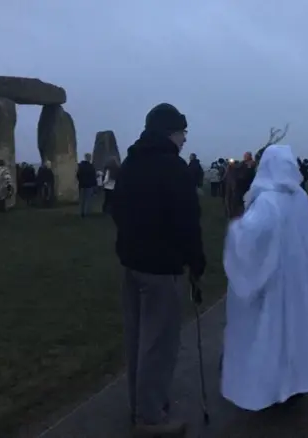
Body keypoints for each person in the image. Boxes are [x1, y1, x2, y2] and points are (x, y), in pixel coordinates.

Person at [112, 103, 205, 437]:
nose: (184, 139)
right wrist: (197, 263)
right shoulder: (174, 168)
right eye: (182, 132)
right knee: (159, 343)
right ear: (170, 132)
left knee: (137, 339)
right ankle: (150, 417)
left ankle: (141, 405)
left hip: (132, 263)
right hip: (162, 267)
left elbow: (116, 209)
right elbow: (187, 224)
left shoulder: (131, 163)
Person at [221, 144, 308, 411]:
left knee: (271, 330)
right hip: (297, 276)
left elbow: (251, 236)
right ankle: (297, 379)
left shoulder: (268, 200)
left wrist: (236, 230)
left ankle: (272, 385)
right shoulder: (299, 197)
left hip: (273, 279)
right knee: (295, 328)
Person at [76, 153, 97, 217]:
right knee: (88, 199)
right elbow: (93, 176)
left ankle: (82, 212)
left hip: (82, 185)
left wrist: (80, 181)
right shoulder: (91, 167)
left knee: (82, 199)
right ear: (89, 158)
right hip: (89, 185)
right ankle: (86, 213)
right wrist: (94, 185)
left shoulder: (81, 166)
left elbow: (78, 175)